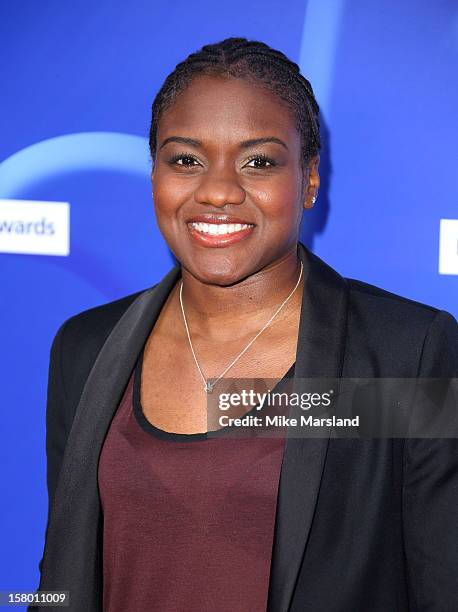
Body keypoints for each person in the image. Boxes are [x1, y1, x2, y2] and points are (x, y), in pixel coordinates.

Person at [30, 37, 458, 612]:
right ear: (154, 174)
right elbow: (62, 571)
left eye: (259, 161)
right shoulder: (85, 347)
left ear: (309, 178)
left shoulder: (408, 352)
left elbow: (442, 584)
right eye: (185, 159)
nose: (218, 191)